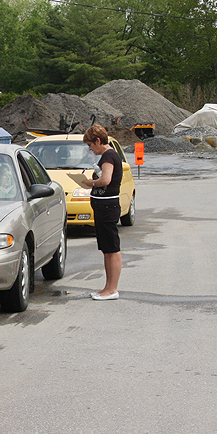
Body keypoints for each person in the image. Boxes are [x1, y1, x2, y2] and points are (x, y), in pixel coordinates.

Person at [82, 124, 122, 301]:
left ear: (98, 141)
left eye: (90, 145)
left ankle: (112, 289)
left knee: (112, 248)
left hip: (107, 207)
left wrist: (90, 182)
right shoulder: (107, 155)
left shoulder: (109, 156)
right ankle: (107, 287)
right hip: (102, 207)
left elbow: (105, 179)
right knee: (106, 249)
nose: (90, 149)